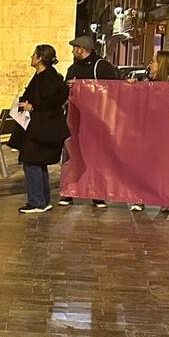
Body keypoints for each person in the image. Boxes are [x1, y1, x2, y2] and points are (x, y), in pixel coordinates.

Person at [57, 35, 117, 208]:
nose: (72, 51)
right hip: (75, 120)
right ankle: (69, 191)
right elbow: (65, 93)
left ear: (81, 50)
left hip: (97, 120)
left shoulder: (102, 66)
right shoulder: (73, 68)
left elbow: (112, 90)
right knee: (72, 155)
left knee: (97, 157)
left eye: (74, 48)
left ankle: (97, 194)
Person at [9, 44, 69, 214]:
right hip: (38, 126)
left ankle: (37, 201)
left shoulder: (48, 77)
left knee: (31, 160)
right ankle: (43, 200)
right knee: (38, 161)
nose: (31, 57)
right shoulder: (42, 76)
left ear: (40, 58)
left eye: (34, 54)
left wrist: (33, 106)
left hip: (42, 128)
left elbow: (54, 100)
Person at [127, 51, 169, 213]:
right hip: (146, 132)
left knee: (165, 167)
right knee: (143, 165)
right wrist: (130, 88)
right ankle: (140, 198)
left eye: (153, 62)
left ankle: (166, 199)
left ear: (163, 65)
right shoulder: (146, 84)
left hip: (168, 135)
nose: (150, 65)